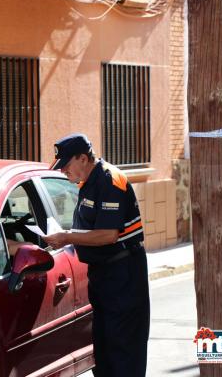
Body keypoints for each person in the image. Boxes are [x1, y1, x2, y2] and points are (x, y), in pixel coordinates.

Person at [43, 133, 150, 377]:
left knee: (124, 352)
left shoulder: (110, 180)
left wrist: (67, 237)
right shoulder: (87, 183)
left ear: (83, 159)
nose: (63, 172)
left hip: (124, 276)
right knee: (104, 352)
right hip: (102, 276)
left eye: (66, 166)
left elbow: (108, 235)